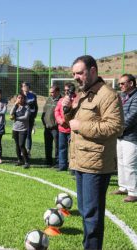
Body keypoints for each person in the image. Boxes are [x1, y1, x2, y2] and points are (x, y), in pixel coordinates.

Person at [62, 55, 123, 250]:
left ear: (93, 71)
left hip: (96, 165)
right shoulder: (83, 94)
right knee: (85, 211)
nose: (76, 77)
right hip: (81, 161)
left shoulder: (108, 95)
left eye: (80, 73)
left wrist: (81, 125)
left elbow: (115, 127)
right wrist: (67, 110)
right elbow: (71, 123)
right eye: (74, 74)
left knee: (91, 215)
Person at [111, 74, 137, 202]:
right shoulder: (122, 97)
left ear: (131, 84)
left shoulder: (136, 97)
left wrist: (116, 127)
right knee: (120, 163)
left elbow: (132, 116)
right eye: (119, 83)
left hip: (132, 137)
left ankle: (133, 192)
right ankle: (123, 187)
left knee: (129, 164)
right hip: (121, 136)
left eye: (122, 83)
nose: (119, 86)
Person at [55, 83, 76, 172]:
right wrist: (60, 121)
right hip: (62, 129)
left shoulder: (77, 99)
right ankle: (62, 165)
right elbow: (56, 111)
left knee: (73, 149)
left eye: (68, 90)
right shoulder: (61, 100)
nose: (66, 92)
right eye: (65, 90)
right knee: (62, 148)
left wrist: (69, 122)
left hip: (72, 129)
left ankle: (73, 168)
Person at [41, 85, 61, 167]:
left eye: (52, 92)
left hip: (55, 128)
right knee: (47, 145)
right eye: (50, 92)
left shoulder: (61, 100)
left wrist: (55, 124)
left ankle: (57, 161)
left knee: (57, 146)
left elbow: (61, 114)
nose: (50, 94)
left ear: (57, 92)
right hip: (47, 127)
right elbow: (44, 111)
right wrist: (44, 121)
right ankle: (48, 160)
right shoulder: (49, 99)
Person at [10, 93, 30, 168]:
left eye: (22, 98)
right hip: (15, 128)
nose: (20, 99)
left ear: (24, 99)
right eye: (19, 98)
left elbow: (26, 117)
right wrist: (15, 104)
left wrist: (16, 118)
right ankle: (19, 160)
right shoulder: (16, 106)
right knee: (17, 145)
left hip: (23, 129)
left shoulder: (27, 107)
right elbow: (11, 113)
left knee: (21, 145)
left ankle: (27, 162)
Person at [21, 82, 38, 157]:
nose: (25, 87)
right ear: (22, 88)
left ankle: (28, 151)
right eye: (24, 86)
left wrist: (34, 116)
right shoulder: (20, 96)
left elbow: (36, 107)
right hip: (21, 119)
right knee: (21, 134)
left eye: (27, 86)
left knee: (28, 134)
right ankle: (22, 150)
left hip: (30, 118)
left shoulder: (33, 95)